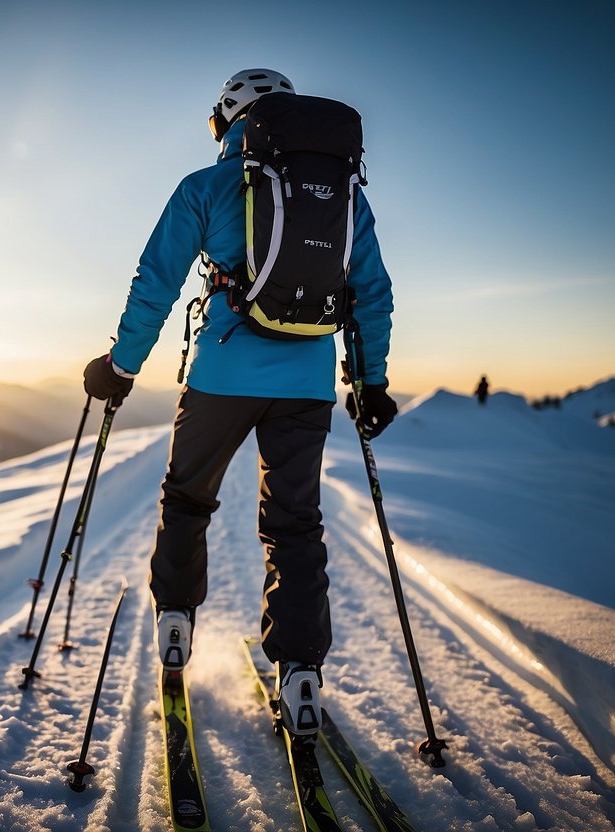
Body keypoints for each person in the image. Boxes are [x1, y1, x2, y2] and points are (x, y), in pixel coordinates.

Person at [81, 69, 396, 736]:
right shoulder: (341, 195)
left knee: (187, 496)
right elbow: (371, 292)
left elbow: (154, 282)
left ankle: (173, 622)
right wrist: (370, 384)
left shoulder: (206, 186)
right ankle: (301, 673)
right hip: (307, 384)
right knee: (293, 523)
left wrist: (120, 366)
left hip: (221, 372)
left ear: (228, 122)